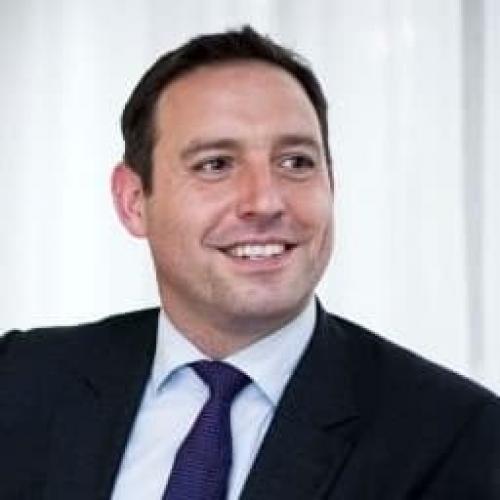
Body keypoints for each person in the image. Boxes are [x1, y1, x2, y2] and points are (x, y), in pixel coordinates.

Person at [1, 25, 499, 500]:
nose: (265, 202)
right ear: (133, 201)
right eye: (215, 165)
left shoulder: (457, 437)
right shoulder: (20, 379)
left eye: (296, 162)